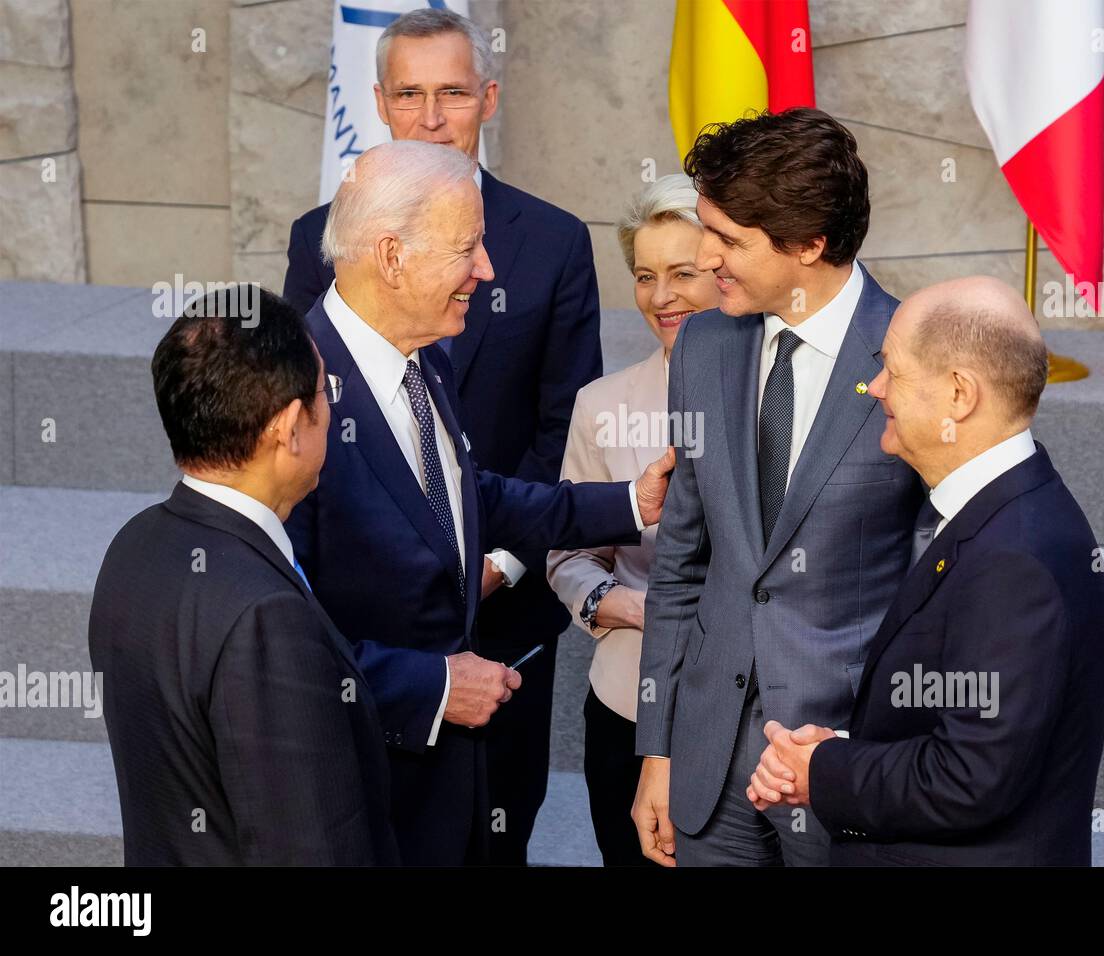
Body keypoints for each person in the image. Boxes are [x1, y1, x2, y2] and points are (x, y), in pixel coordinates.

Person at [285, 139, 673, 866]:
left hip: (450, 784)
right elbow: (280, 641)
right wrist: (433, 686)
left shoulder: (424, 356)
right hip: (362, 792)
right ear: (393, 257)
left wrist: (627, 503)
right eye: (468, 248)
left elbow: (466, 496)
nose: (488, 271)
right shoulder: (294, 401)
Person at [633, 108, 924, 866]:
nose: (704, 257)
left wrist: (877, 751)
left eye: (728, 239)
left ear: (808, 244)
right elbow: (682, 563)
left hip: (844, 766)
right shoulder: (704, 344)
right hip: (704, 762)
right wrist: (656, 750)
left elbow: (939, 591)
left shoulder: (914, 358)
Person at [747, 276, 1104, 866]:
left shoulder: (1012, 562)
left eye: (893, 368)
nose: (874, 388)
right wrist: (838, 749)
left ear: (959, 396)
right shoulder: (1004, 513)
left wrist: (823, 769)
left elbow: (970, 776)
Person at [89, 286, 398, 865]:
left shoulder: (133, 545)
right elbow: (308, 844)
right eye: (324, 393)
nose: (331, 411)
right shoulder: (266, 617)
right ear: (288, 426)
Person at [547, 174, 718, 866]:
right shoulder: (602, 403)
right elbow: (567, 554)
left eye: (683, 273)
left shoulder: (780, 394)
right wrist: (638, 608)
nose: (660, 296)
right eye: (645, 276)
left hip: (750, 718)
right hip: (626, 704)